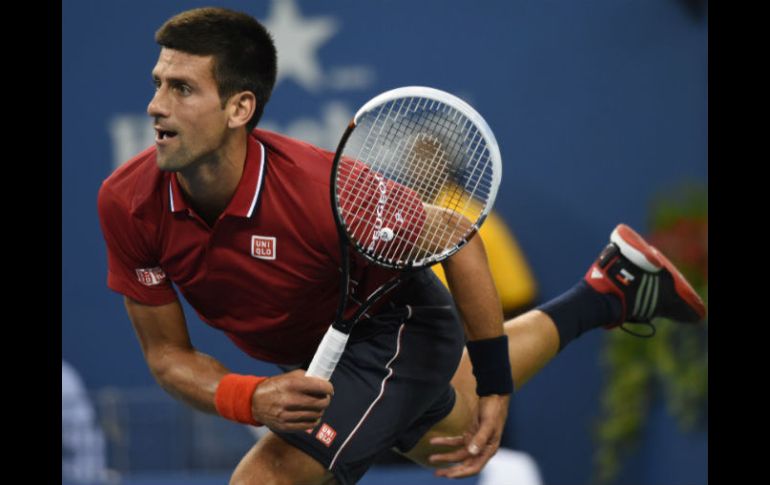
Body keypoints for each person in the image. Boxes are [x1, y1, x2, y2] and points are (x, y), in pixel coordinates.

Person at [97, 7, 705, 485]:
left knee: (267, 479)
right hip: (313, 354)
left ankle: (601, 297)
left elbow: (458, 242)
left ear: (240, 107)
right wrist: (250, 397)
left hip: (398, 323)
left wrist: (496, 386)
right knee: (453, 436)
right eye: (157, 84)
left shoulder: (318, 191)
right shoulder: (127, 203)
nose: (156, 106)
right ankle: (609, 290)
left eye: (181, 89)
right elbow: (168, 359)